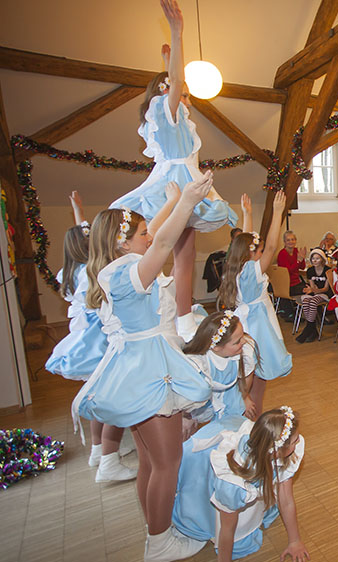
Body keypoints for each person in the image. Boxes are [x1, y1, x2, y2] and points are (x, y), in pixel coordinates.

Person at [72, 173, 215, 562]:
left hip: (138, 370)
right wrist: (186, 200)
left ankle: (157, 530)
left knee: (151, 461)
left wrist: (170, 202)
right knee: (168, 463)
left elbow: (154, 231)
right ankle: (160, 543)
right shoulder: (129, 273)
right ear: (122, 241)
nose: (148, 236)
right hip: (152, 371)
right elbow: (165, 240)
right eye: (140, 234)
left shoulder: (117, 268)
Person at [111, 0, 237, 341]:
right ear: (169, 91)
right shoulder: (166, 111)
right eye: (181, 92)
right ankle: (173, 317)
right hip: (177, 185)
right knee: (166, 250)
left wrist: (168, 63)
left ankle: (183, 318)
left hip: (186, 181)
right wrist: (178, 32)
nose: (187, 98)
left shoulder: (175, 118)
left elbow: (177, 87)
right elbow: (177, 84)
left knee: (184, 257)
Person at [46, 192, 134, 483]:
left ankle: (99, 450)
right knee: (107, 395)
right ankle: (103, 453)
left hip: (84, 337)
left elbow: (83, 235)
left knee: (100, 394)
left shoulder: (68, 272)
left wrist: (78, 210)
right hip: (99, 340)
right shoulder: (90, 273)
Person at [172, 407, 310, 562]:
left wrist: (295, 541)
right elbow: (226, 530)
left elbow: (286, 499)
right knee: (225, 524)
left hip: (246, 441)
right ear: (276, 452)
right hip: (206, 462)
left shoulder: (282, 451)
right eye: (294, 441)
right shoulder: (233, 484)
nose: (299, 442)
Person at [219, 192, 292, 412]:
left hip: (243, 321)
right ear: (253, 254)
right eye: (258, 252)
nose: (262, 254)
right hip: (258, 324)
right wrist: (278, 213)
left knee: (248, 369)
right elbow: (270, 247)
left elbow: (248, 242)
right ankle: (251, 417)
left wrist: (247, 214)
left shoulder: (234, 267)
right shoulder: (253, 269)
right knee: (258, 373)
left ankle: (246, 410)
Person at [183, 311, 258, 424]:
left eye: (242, 335)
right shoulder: (197, 364)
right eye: (237, 341)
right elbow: (184, 396)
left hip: (231, 394)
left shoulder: (245, 350)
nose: (243, 341)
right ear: (216, 347)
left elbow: (246, 377)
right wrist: (185, 417)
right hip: (198, 400)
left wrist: (245, 396)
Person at [293, 249, 331, 343]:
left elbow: (326, 288)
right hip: (314, 292)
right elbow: (312, 285)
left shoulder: (327, 270)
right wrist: (313, 289)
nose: (315, 260)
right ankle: (312, 329)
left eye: (317, 258)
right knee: (306, 301)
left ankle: (308, 328)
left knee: (313, 302)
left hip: (325, 293)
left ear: (322, 259)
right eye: (313, 258)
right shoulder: (310, 270)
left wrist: (316, 290)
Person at [276, 231, 307, 320]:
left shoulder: (296, 251)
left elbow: (302, 267)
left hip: (296, 282)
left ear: (295, 240)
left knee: (312, 289)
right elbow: (287, 271)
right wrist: (298, 261)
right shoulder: (282, 254)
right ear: (284, 242)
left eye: (293, 239)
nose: (291, 242)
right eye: (288, 240)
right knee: (310, 291)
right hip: (287, 285)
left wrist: (302, 258)